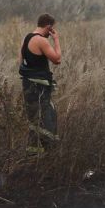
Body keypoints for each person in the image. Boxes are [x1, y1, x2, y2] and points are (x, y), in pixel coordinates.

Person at [19, 14, 62, 149]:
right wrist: (56, 39)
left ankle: (33, 154)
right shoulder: (42, 41)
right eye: (52, 29)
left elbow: (20, 62)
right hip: (40, 88)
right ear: (49, 27)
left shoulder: (26, 39)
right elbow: (57, 59)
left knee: (34, 120)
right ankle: (50, 154)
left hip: (27, 85)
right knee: (47, 119)